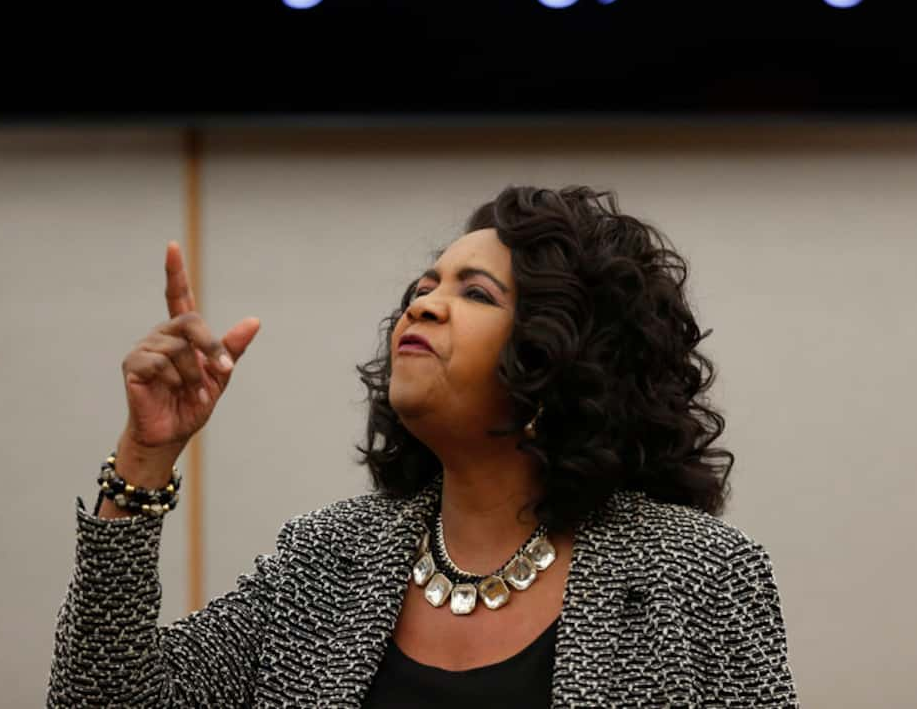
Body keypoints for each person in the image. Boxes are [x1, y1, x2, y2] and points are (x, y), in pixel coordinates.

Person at [47, 185, 801, 707]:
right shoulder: (326, 560)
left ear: (562, 358)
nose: (424, 303)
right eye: (425, 284)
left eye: (475, 294)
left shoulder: (696, 575)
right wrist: (145, 459)